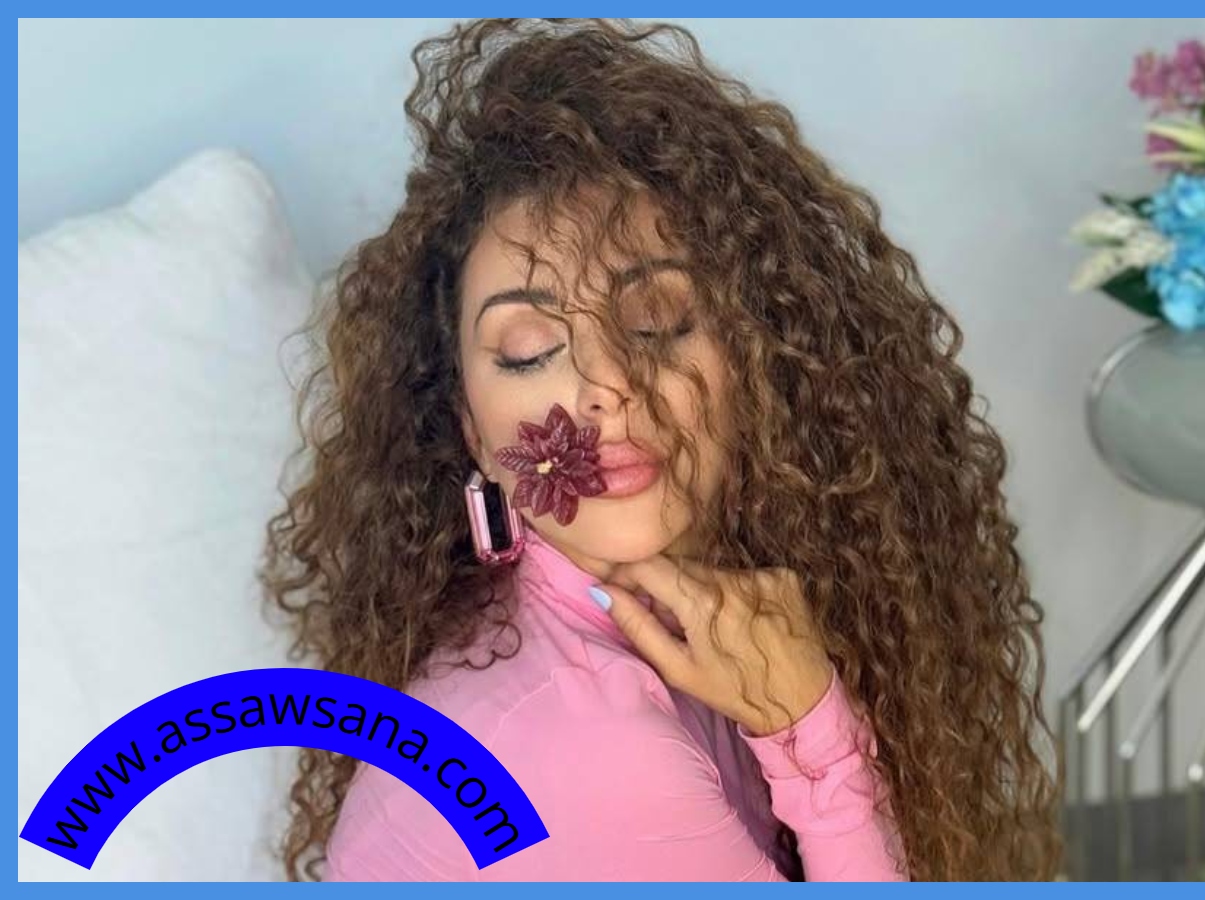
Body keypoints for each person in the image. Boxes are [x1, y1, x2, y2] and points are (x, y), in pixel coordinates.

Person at [261, 17, 1061, 882]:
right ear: (471, 431)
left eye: (657, 321)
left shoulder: (654, 635)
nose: (606, 384)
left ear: (754, 357)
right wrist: (818, 740)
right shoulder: (586, 748)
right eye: (530, 351)